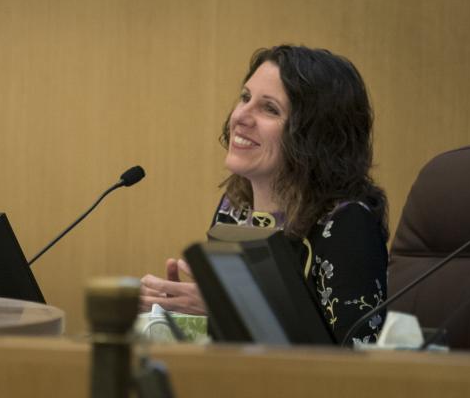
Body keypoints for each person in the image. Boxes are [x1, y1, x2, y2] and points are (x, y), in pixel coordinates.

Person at [140, 45, 389, 344]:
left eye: (269, 109)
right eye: (245, 98)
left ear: (315, 135)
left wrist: (226, 309)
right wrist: (179, 313)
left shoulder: (347, 224)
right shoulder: (236, 209)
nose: (241, 116)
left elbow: (356, 366)